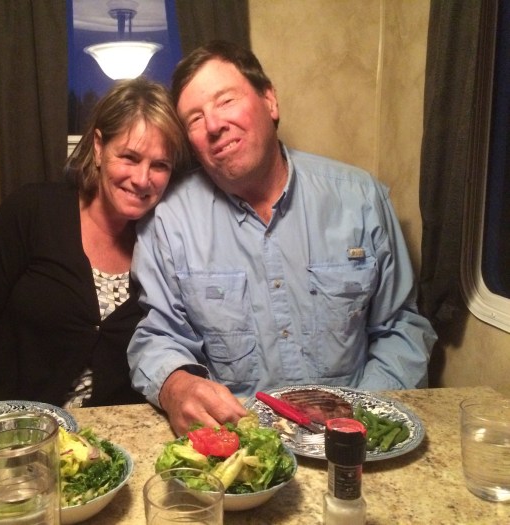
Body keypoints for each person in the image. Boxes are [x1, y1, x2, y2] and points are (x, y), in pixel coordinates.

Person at [128, 40, 438, 435]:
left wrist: (360, 417)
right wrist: (176, 386)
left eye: (226, 101)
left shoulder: (360, 199)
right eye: (195, 118)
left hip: (354, 435)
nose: (214, 125)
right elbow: (158, 336)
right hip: (242, 439)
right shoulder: (169, 221)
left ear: (270, 101)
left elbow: (401, 328)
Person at [0, 77, 188, 410]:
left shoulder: (164, 241)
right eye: (129, 157)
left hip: (109, 436)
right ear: (98, 147)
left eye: (159, 165)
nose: (142, 179)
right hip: (16, 429)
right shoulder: (32, 211)